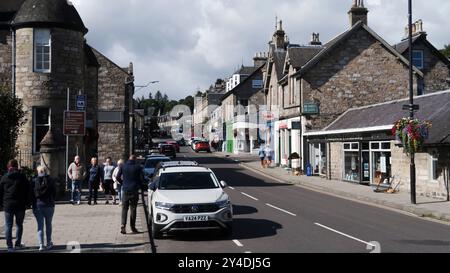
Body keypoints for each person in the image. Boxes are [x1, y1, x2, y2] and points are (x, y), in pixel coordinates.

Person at [0, 159, 31, 252]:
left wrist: (1, 203)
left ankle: (10, 246)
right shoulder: (22, 177)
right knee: (19, 225)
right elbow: (28, 191)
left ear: (8, 167)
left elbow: (0, 192)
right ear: (17, 166)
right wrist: (28, 203)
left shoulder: (4, 178)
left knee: (8, 225)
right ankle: (17, 244)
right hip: (20, 204)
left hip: (8, 204)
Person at [116, 155, 144, 234]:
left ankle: (123, 225)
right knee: (133, 209)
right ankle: (133, 227)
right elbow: (142, 179)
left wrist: (123, 183)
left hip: (125, 190)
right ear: (135, 159)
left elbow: (117, 176)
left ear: (128, 159)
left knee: (124, 209)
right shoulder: (138, 167)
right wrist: (139, 185)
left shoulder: (123, 166)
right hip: (134, 190)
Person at [31, 166, 56, 251]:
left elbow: (32, 194)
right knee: (48, 224)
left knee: (40, 226)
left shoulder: (34, 181)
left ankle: (41, 244)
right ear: (46, 171)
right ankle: (49, 243)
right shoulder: (51, 180)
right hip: (49, 205)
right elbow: (54, 192)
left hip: (38, 206)